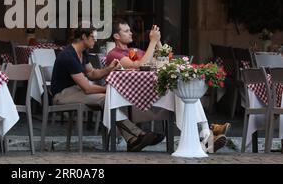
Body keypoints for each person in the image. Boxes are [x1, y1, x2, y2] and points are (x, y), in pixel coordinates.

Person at [106, 18, 229, 153]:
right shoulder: (114, 54)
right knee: (181, 89)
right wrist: (152, 42)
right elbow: (140, 65)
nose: (131, 33)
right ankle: (206, 134)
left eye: (130, 30)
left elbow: (165, 60)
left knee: (183, 89)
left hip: (152, 90)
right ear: (117, 36)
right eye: (126, 31)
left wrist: (158, 42)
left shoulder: (135, 51)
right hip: (133, 94)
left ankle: (205, 134)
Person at [51, 22, 164, 152]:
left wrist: (108, 69)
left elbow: (92, 74)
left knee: (111, 98)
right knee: (107, 99)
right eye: (93, 36)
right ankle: (139, 134)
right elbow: (87, 88)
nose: (96, 39)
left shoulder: (83, 52)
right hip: (62, 95)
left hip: (76, 90)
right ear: (84, 37)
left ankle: (132, 140)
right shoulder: (68, 55)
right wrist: (110, 90)